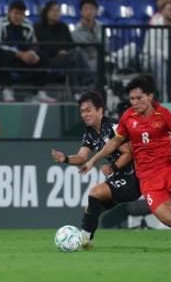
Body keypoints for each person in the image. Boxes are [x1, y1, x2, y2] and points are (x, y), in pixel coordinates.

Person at [81, 75, 171, 252]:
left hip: (168, 168)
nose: (135, 102)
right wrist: (92, 160)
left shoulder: (164, 114)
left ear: (150, 96)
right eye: (132, 99)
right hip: (147, 179)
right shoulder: (128, 117)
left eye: (139, 98)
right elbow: (114, 143)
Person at [50, 91, 141, 248]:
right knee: (91, 208)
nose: (84, 115)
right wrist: (65, 158)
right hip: (119, 177)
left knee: (95, 193)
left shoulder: (113, 127)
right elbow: (82, 157)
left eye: (88, 110)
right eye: (82, 111)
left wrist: (112, 167)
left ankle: (84, 239)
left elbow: (129, 153)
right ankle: (88, 243)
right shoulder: (90, 133)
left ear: (100, 110)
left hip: (134, 178)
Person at [0, 0, 56, 103]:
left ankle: (39, 92)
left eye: (21, 14)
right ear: (9, 12)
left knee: (43, 57)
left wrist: (31, 53)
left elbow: (34, 44)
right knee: (4, 55)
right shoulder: (0, 22)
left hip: (18, 57)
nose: (18, 17)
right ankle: (7, 89)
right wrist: (19, 54)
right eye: (16, 13)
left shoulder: (28, 25)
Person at [34, 0, 91, 91]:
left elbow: (71, 44)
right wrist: (58, 52)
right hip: (49, 59)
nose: (55, 13)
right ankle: (89, 81)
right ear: (46, 12)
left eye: (58, 11)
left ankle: (76, 92)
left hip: (66, 57)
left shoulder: (63, 26)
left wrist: (65, 51)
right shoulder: (38, 27)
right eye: (53, 10)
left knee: (73, 61)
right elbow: (41, 46)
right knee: (77, 53)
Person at [72, 0, 103, 72]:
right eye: (86, 9)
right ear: (81, 12)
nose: (89, 12)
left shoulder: (102, 27)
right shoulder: (76, 31)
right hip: (88, 60)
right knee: (95, 64)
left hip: (103, 56)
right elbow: (83, 50)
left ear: (96, 11)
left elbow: (106, 45)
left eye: (92, 9)